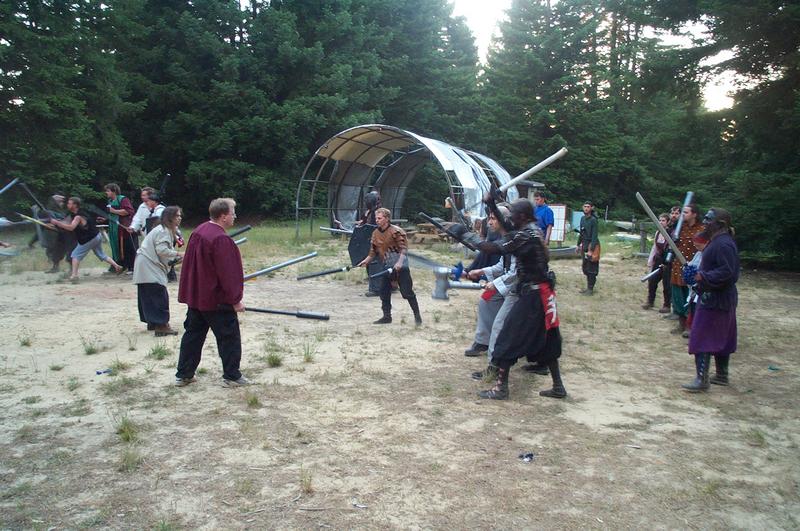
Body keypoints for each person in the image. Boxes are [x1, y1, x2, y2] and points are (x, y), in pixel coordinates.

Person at [474, 198, 566, 400]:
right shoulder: (532, 230)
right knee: (548, 340)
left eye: (513, 214)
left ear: (522, 216)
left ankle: (501, 388)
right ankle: (558, 386)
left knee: (507, 337)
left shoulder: (525, 236)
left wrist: (464, 235)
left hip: (533, 295)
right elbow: (507, 229)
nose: (510, 218)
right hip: (542, 293)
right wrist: (491, 205)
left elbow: (493, 248)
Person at [175, 198, 250, 387]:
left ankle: (184, 374)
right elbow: (228, 273)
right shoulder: (220, 239)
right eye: (233, 213)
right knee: (229, 337)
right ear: (223, 216)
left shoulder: (199, 231)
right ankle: (232, 376)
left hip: (198, 297)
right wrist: (235, 300)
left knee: (193, 335)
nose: (235, 216)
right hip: (216, 299)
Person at [682, 209, 739, 392]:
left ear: (720, 224)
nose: (705, 222)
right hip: (716, 296)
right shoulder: (718, 241)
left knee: (702, 335)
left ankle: (702, 380)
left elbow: (728, 272)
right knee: (721, 335)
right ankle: (721, 375)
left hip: (716, 298)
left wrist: (702, 276)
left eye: (709, 220)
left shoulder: (723, 244)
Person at [463, 205, 515, 358]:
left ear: (503, 220)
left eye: (493, 219)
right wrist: (479, 271)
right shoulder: (504, 238)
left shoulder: (515, 238)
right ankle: (483, 341)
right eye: (489, 219)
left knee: (503, 322)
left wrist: (495, 284)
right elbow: (502, 265)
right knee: (486, 300)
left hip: (521, 287)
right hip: (509, 282)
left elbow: (516, 272)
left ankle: (498, 361)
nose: (489, 223)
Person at [356, 207, 422, 325]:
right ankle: (387, 317)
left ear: (386, 219)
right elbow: (373, 252)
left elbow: (403, 249)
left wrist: (399, 263)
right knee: (384, 292)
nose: (377, 220)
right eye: (376, 218)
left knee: (407, 293)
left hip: (401, 267)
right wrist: (366, 261)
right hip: (386, 266)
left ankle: (417, 316)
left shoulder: (396, 231)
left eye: (379, 218)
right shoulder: (375, 233)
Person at [133, 206, 184, 337]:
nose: (180, 218)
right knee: (158, 294)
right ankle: (161, 325)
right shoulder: (163, 231)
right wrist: (179, 254)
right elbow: (162, 250)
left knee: (148, 294)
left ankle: (153, 322)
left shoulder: (163, 229)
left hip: (146, 264)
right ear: (170, 217)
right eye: (177, 216)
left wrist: (177, 259)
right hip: (149, 264)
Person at [47, 197, 123, 282]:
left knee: (75, 255)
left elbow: (71, 227)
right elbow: (65, 222)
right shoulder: (75, 214)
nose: (67, 205)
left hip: (89, 238)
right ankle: (117, 266)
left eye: (69, 203)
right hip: (96, 236)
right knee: (101, 254)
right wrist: (56, 224)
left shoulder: (78, 216)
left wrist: (57, 223)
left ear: (75, 205)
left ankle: (74, 275)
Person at [670, 203, 704, 335]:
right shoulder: (679, 227)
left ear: (694, 214)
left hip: (693, 266)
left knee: (690, 297)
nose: (683, 215)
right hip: (678, 266)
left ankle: (690, 326)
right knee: (678, 296)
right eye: (682, 212)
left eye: (686, 212)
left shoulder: (702, 229)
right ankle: (681, 323)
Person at [36, 194, 77, 273]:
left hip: (71, 235)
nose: (64, 204)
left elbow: (66, 221)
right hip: (61, 234)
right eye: (60, 202)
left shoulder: (75, 213)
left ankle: (72, 270)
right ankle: (55, 267)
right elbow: (52, 218)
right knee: (57, 252)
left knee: (70, 253)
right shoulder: (53, 211)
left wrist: (57, 222)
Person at [102, 183, 136, 272]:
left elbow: (128, 211)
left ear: (114, 191)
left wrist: (114, 210)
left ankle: (131, 267)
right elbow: (112, 215)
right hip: (114, 229)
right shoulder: (110, 201)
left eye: (108, 191)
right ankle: (118, 265)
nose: (106, 193)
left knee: (126, 248)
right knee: (116, 248)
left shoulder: (123, 199)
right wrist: (105, 219)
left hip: (123, 229)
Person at [642, 213, 671, 311]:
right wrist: (650, 261)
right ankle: (650, 301)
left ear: (668, 222)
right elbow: (655, 248)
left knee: (667, 284)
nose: (661, 222)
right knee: (652, 280)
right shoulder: (658, 233)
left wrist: (667, 261)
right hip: (658, 260)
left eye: (663, 220)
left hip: (667, 260)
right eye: (660, 220)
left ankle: (667, 305)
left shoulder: (671, 233)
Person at [576, 200, 600, 295]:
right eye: (585, 206)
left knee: (592, 269)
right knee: (585, 268)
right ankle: (588, 287)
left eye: (588, 207)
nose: (586, 208)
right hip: (584, 245)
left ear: (591, 208)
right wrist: (578, 245)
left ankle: (590, 289)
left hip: (592, 245)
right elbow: (581, 233)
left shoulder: (593, 220)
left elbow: (594, 236)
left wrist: (591, 250)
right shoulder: (582, 219)